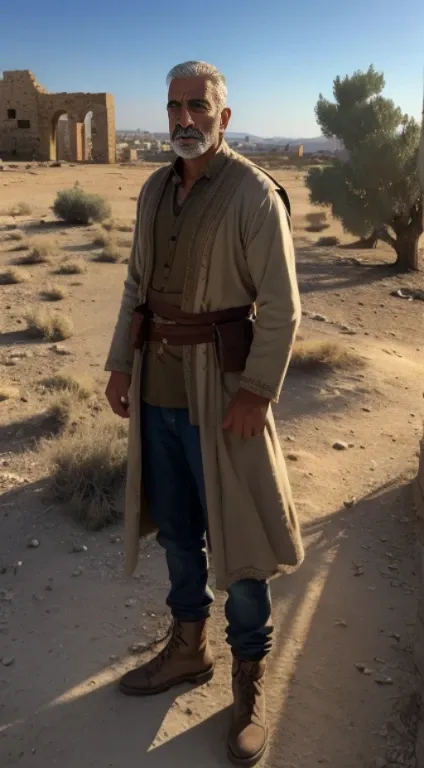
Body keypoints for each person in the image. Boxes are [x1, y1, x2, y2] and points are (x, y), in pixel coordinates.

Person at [105, 60, 304, 766]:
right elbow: (134, 279)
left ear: (223, 117)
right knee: (179, 532)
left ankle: (249, 678)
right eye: (173, 107)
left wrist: (257, 390)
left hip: (223, 396)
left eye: (198, 106)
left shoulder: (254, 194)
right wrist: (120, 362)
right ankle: (188, 649)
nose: (183, 119)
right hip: (156, 386)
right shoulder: (155, 188)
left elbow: (282, 306)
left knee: (240, 541)